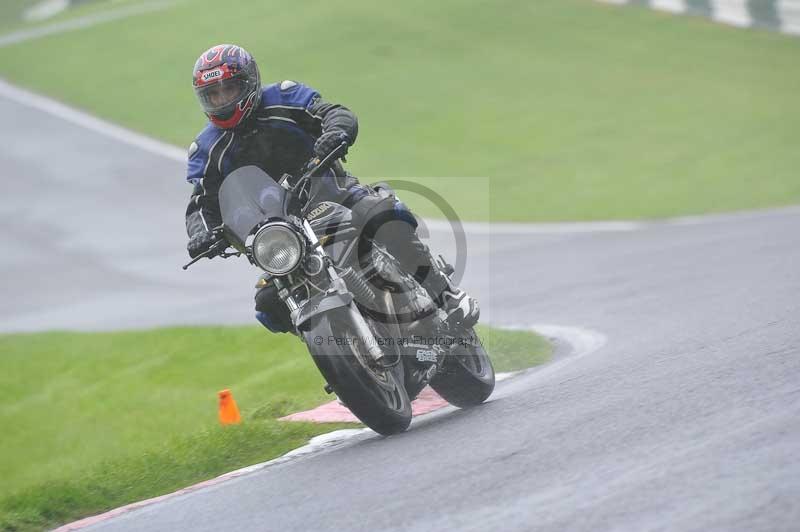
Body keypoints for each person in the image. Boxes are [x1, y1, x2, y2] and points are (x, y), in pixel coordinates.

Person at [185, 44, 478, 333]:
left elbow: (334, 113)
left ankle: (446, 295)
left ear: (249, 82)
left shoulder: (284, 97)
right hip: (279, 232)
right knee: (269, 303)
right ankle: (337, 349)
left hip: (333, 194)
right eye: (213, 94)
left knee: (381, 214)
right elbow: (201, 203)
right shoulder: (207, 148)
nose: (222, 99)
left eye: (229, 89)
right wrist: (201, 232)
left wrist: (335, 132)